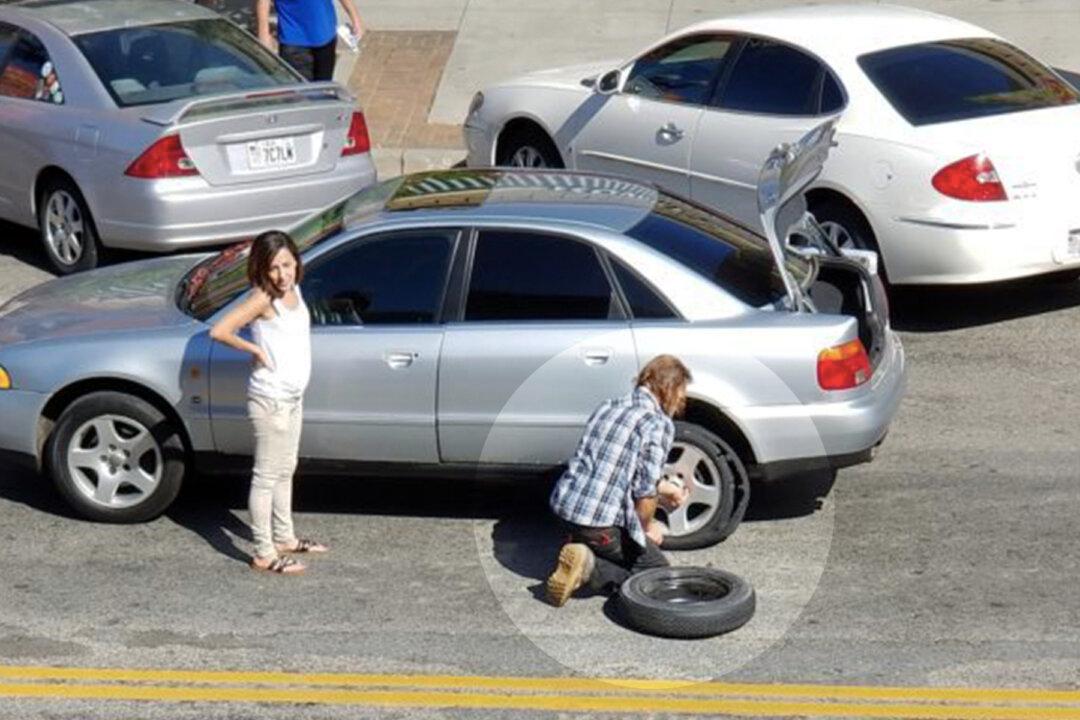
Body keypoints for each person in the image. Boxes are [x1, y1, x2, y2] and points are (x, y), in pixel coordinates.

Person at [210, 231, 328, 575]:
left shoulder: (294, 291)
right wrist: (256, 350)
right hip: (270, 400)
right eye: (274, 268)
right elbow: (220, 330)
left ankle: (285, 538)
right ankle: (264, 552)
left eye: (287, 265)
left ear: (296, 262)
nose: (282, 274)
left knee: (286, 467)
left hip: (292, 397)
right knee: (265, 477)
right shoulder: (263, 298)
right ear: (262, 269)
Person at [545, 354, 693, 607]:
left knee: (615, 542)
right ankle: (590, 569)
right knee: (656, 573)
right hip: (597, 525)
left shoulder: (608, 406)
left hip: (563, 509)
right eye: (681, 393)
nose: (681, 400)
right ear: (670, 388)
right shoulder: (657, 423)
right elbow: (644, 493)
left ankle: (580, 542)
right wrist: (646, 531)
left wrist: (666, 488)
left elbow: (616, 469)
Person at [255, 0, 364, 81]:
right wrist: (263, 33)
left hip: (325, 34)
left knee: (324, 86)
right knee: (301, 92)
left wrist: (355, 18)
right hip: (293, 39)